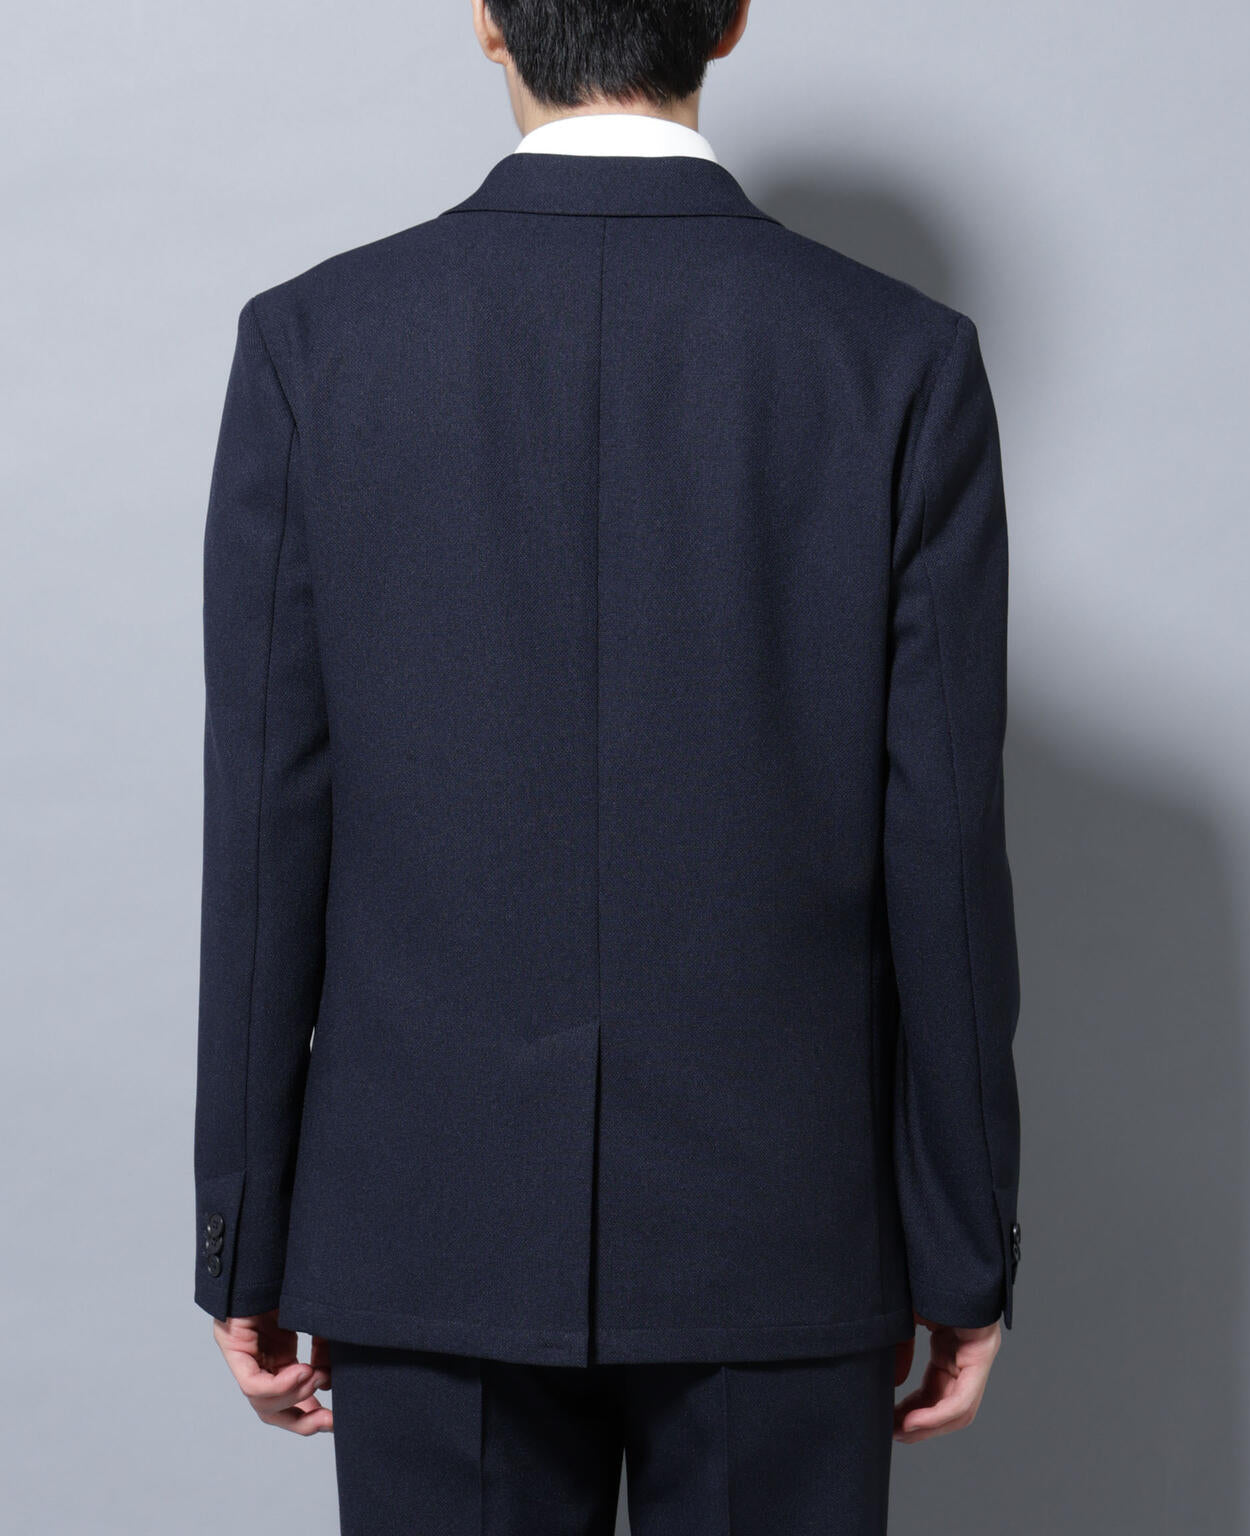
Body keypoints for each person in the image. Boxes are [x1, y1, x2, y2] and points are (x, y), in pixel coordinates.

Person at [193, 1, 1022, 1529]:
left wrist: (242, 1236)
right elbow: (947, 854)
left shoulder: (316, 345)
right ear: (731, 18)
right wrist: (964, 1246)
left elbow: (266, 831)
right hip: (784, 1237)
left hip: (426, 1225)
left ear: (487, 21)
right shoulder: (900, 360)